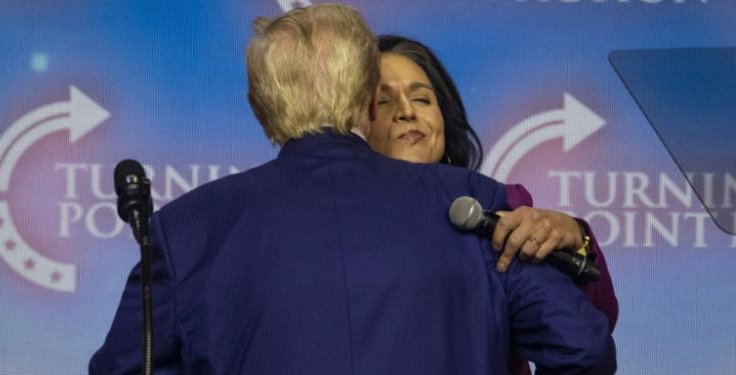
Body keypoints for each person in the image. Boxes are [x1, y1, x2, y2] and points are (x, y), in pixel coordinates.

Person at [89, 4, 615, 374]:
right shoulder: (471, 202)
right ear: (367, 100)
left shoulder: (183, 230)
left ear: (259, 110)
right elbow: (583, 351)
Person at [366, 34, 619, 375]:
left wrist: (578, 238)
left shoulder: (498, 212)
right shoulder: (333, 224)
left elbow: (586, 339)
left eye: (422, 99)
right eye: (383, 102)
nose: (407, 112)